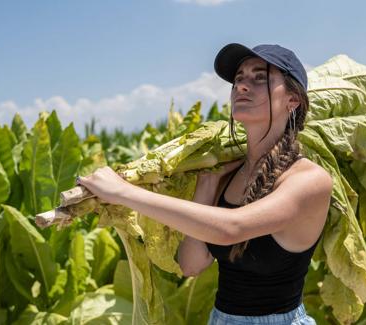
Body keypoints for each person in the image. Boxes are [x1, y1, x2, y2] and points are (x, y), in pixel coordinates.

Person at [76, 43, 333, 325]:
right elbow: (192, 264)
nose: (243, 86)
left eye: (260, 77)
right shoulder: (231, 175)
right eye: (239, 79)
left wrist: (124, 193)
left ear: (293, 99)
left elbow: (231, 228)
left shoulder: (309, 180)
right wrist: (207, 187)